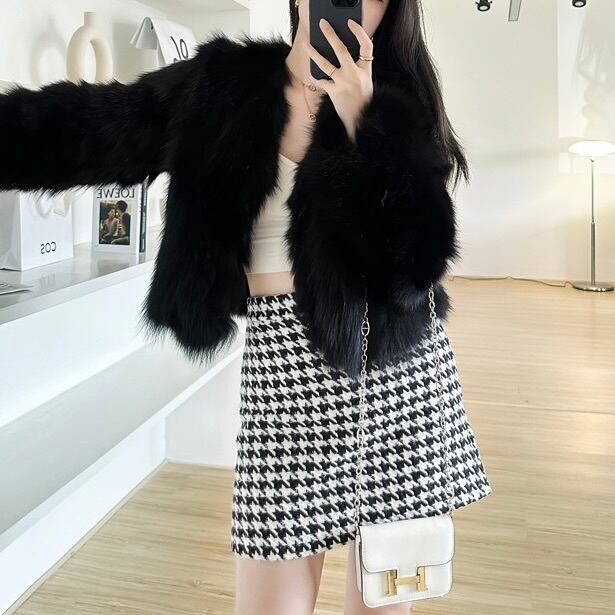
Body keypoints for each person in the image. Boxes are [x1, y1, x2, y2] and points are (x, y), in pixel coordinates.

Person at [0, 1, 492, 613]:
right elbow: (88, 129)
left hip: (392, 382)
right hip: (280, 376)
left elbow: (419, 264)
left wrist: (367, 119)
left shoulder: (399, 100)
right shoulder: (222, 86)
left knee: (382, 601)